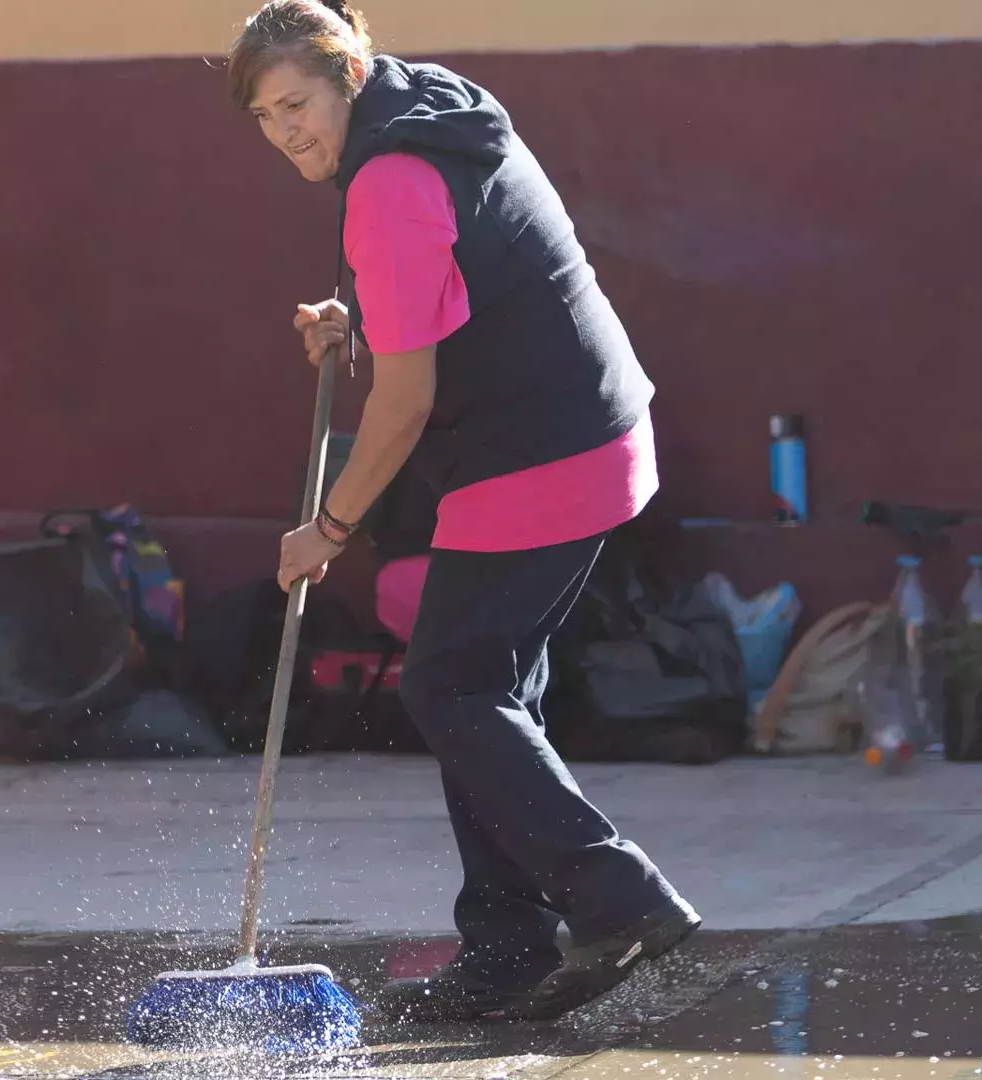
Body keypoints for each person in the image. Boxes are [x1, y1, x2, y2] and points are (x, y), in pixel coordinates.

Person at [229, 0, 702, 1022]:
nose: (286, 132)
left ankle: (622, 899)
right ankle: (508, 949)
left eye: (298, 103)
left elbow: (405, 403)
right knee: (486, 690)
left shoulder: (390, 180)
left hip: (541, 455)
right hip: (593, 432)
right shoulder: (430, 110)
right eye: (265, 117)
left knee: (448, 684)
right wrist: (366, 315)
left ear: (350, 74)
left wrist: (331, 528)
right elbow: (462, 266)